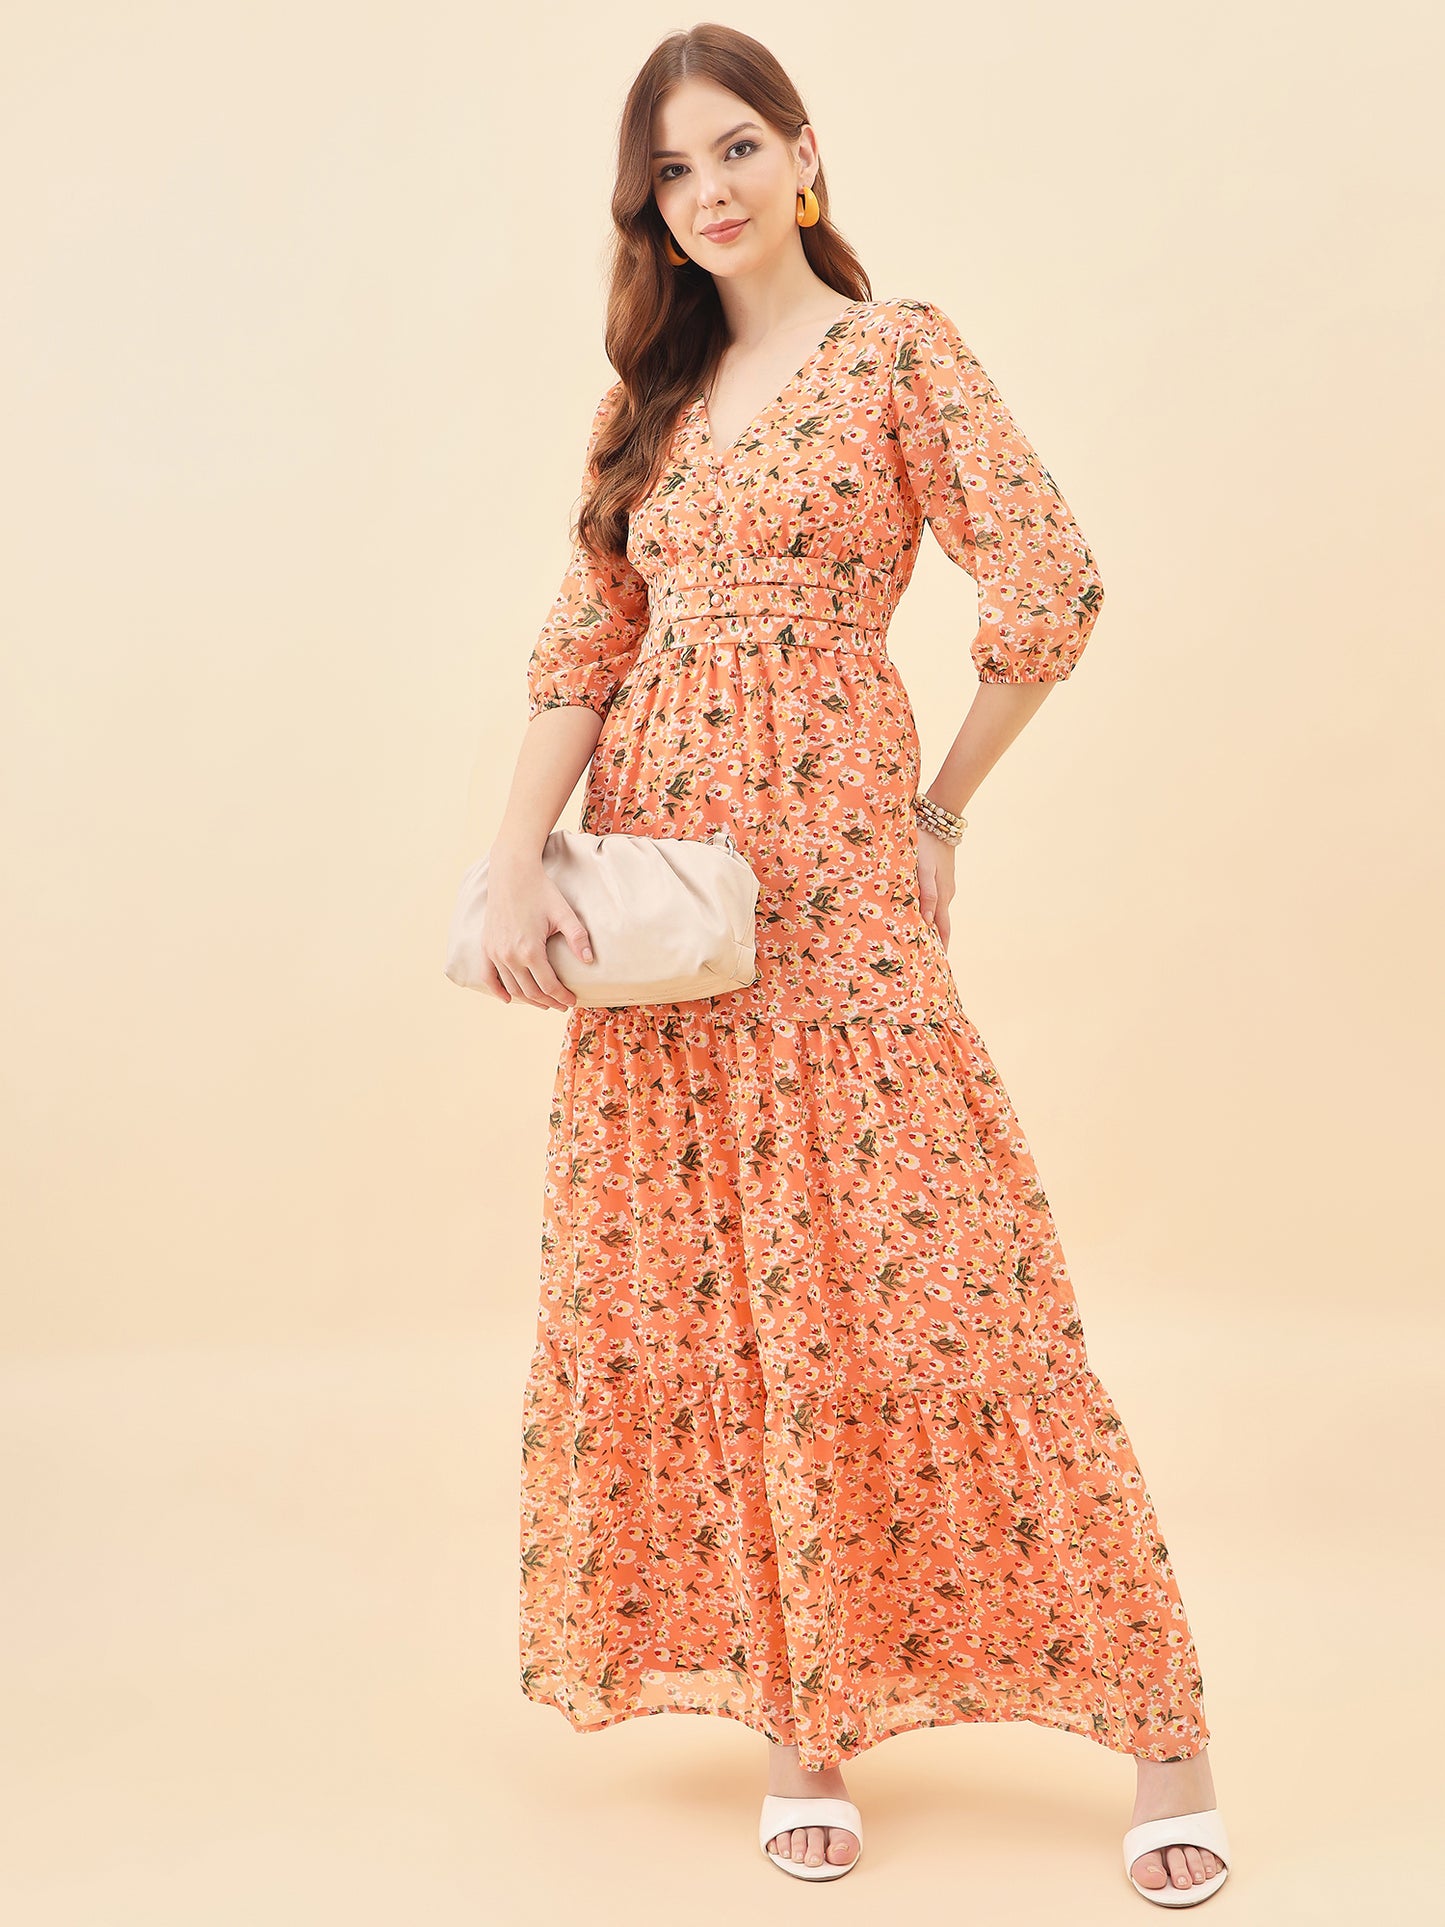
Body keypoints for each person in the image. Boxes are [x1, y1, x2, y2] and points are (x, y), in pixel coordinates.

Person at [476, 22, 1231, 1907]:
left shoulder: (898, 354)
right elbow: (583, 645)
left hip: (829, 884)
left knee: (950, 1280)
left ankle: (1163, 1734)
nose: (708, 191)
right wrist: (512, 865)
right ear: (646, 207)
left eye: (735, 148)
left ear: (802, 153)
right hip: (660, 915)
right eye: (670, 171)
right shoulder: (647, 400)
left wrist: (939, 809)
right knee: (725, 1294)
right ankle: (798, 1732)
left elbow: (1046, 585)